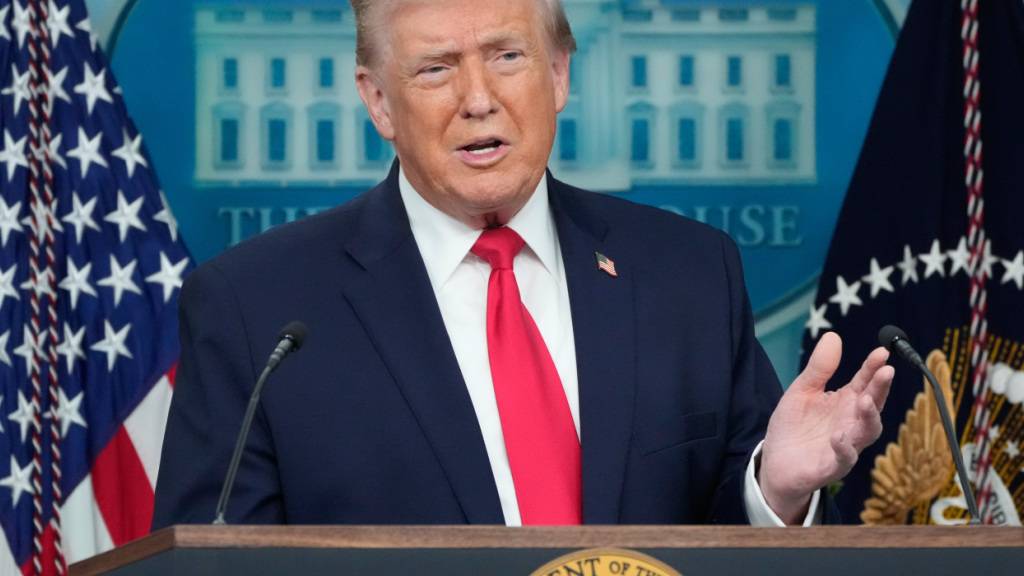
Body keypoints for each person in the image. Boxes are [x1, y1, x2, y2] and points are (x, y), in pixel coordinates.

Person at [152, 0, 893, 528]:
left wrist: (775, 489)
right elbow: (219, 554)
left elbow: (717, 532)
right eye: (436, 69)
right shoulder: (256, 306)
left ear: (560, 73)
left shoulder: (690, 274)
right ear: (378, 102)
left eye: (507, 56)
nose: (480, 99)